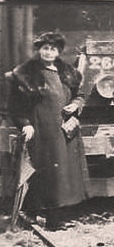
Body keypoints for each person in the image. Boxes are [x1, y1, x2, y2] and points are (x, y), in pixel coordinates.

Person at [8, 32, 88, 230]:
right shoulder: (26, 74)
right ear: (39, 49)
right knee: (48, 174)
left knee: (63, 174)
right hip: (41, 129)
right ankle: (51, 219)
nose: (48, 52)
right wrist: (25, 124)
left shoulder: (67, 72)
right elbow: (15, 106)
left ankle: (57, 214)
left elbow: (80, 94)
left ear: (58, 51)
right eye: (45, 48)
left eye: (52, 49)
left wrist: (75, 105)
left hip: (65, 129)